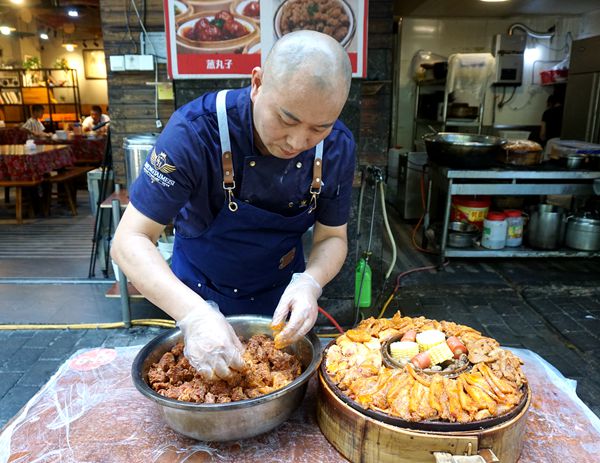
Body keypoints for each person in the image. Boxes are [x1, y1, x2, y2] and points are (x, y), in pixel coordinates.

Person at [111, 30, 355, 381]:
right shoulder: (194, 132)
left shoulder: (338, 146)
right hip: (195, 295)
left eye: (320, 127)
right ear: (257, 83)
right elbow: (129, 240)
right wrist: (193, 316)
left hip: (281, 303)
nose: (298, 141)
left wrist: (311, 283)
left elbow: (332, 237)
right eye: (286, 119)